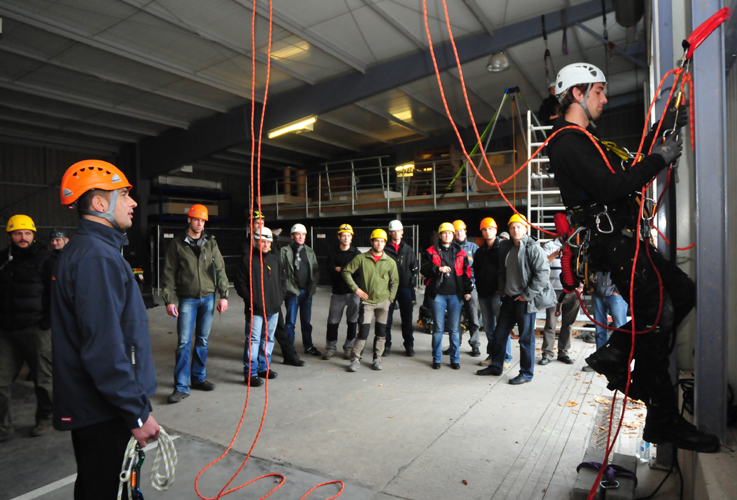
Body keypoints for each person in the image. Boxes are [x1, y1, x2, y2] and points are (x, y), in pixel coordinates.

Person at [547, 62, 719, 452]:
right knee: (657, 319)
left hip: (625, 241)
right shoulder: (568, 142)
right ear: (577, 94)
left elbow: (624, 167)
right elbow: (611, 187)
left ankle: (618, 351)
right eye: (598, 92)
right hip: (615, 244)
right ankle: (663, 419)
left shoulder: (587, 140)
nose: (605, 99)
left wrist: (662, 130)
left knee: (682, 292)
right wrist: (658, 159)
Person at [52, 159, 159, 498]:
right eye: (124, 195)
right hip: (104, 411)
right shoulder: (96, 258)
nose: (133, 202)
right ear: (100, 204)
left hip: (101, 407)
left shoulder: (94, 252)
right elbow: (105, 349)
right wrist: (136, 414)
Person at [162, 204, 229, 404]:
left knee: (203, 340)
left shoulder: (211, 243)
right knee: (183, 342)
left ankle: (199, 378)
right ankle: (181, 386)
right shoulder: (177, 245)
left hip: (208, 298)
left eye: (202, 220)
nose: (199, 223)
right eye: (196, 219)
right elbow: (168, 274)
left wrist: (224, 295)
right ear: (189, 220)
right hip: (187, 300)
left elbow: (220, 268)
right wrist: (169, 300)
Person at [477, 214, 555, 384]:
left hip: (525, 301)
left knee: (526, 339)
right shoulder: (506, 247)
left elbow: (542, 274)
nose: (515, 230)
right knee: (499, 335)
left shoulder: (533, 248)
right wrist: (503, 290)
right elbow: (501, 271)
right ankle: (496, 366)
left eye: (519, 226)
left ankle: (526, 374)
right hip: (509, 299)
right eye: (512, 227)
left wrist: (526, 295)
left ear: (525, 228)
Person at [0, 214, 53, 441]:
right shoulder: (3, 259)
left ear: (33, 235)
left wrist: (47, 321)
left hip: (36, 329)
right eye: (18, 233)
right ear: (10, 235)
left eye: (27, 233)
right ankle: (3, 427)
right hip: (6, 331)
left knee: (43, 379)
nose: (23, 237)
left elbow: (54, 293)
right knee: (0, 381)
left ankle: (45, 418)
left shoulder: (45, 259)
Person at [341, 229, 398, 372]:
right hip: (367, 303)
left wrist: (390, 299)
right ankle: (355, 359)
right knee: (363, 332)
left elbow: (395, 282)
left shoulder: (390, 262)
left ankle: (377, 358)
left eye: (382, 241)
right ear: (372, 242)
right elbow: (346, 271)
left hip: (383, 302)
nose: (379, 243)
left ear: (385, 243)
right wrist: (356, 289)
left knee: (381, 332)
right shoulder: (361, 258)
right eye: (377, 241)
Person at [235, 227, 284, 387]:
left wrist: (279, 298)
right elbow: (240, 283)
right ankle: (251, 373)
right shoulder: (247, 260)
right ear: (255, 241)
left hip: (273, 308)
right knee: (254, 340)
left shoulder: (275, 260)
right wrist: (252, 300)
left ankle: (264, 367)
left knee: (268, 338)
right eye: (262, 241)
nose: (265, 244)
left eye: (268, 241)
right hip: (255, 309)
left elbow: (282, 280)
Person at [421, 223, 473, 370]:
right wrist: (438, 269)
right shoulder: (430, 251)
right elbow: (424, 269)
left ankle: (455, 359)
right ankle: (436, 359)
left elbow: (466, 273)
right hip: (438, 295)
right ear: (439, 235)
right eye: (444, 233)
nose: (447, 235)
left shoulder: (461, 253)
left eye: (450, 233)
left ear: (453, 235)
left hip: (455, 296)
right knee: (438, 329)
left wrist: (467, 290)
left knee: (454, 329)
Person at [473, 217, 513, 370]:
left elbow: (508, 269)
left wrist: (502, 289)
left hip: (498, 294)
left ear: (495, 230)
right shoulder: (480, 251)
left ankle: (506, 357)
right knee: (489, 328)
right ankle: (493, 355)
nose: (487, 231)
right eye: (484, 229)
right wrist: (479, 287)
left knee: (502, 327)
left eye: (490, 229)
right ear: (482, 232)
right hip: (484, 294)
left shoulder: (503, 248)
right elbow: (476, 270)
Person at [539, 224, 581, 366]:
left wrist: (582, 286)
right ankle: (547, 353)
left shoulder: (579, 245)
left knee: (568, 324)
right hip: (554, 291)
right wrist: (556, 253)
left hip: (573, 291)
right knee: (550, 323)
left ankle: (563, 352)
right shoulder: (549, 245)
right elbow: (542, 265)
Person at [281, 223, 321, 356]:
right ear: (292, 236)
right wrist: (286, 288)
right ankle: (289, 350)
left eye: (303, 234)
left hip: (306, 292)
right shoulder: (285, 251)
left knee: (306, 322)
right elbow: (280, 271)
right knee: (290, 323)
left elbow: (315, 271)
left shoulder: (309, 251)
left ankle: (308, 346)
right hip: (292, 292)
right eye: (298, 234)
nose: (301, 237)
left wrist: (312, 288)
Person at [323, 224, 361, 360]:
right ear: (339, 237)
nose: (346, 238)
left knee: (352, 321)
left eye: (348, 235)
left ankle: (349, 347)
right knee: (333, 321)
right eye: (343, 235)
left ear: (351, 237)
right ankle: (330, 348)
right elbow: (330, 272)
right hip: (337, 292)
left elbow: (358, 272)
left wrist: (341, 269)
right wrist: (347, 271)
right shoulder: (333, 253)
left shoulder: (357, 254)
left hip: (353, 293)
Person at [384, 220, 419, 357]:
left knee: (407, 319)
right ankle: (386, 345)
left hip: (405, 288)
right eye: (393, 231)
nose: (396, 233)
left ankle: (409, 346)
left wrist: (412, 280)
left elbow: (414, 266)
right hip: (388, 288)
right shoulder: (385, 249)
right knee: (386, 319)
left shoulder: (408, 249)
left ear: (402, 232)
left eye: (398, 231)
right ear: (390, 233)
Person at [582, 271, 628, 372]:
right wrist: (590, 286)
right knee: (600, 330)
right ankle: (600, 361)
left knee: (621, 330)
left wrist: (618, 291)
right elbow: (588, 267)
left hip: (615, 295)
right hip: (597, 293)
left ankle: (621, 363)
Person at [451, 219, 481, 357]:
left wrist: (473, 285)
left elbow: (479, 268)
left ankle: (475, 345)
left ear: (465, 232)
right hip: (454, 287)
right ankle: (454, 345)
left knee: (473, 316)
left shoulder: (474, 248)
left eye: (461, 231)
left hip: (471, 285)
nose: (459, 233)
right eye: (456, 231)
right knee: (454, 318)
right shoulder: (450, 247)